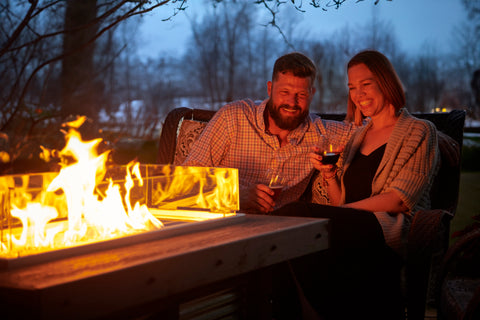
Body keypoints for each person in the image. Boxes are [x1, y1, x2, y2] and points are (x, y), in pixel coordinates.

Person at [274, 50, 440, 320]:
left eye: (366, 84)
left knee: (291, 214)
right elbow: (340, 203)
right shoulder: (357, 135)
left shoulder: (419, 130)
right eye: (352, 87)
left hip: (389, 232)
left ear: (385, 81)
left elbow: (399, 199)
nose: (358, 94)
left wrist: (345, 213)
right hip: (353, 230)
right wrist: (329, 176)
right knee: (287, 237)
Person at [183, 52, 353, 213]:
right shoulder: (234, 117)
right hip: (226, 223)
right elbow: (184, 182)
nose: (291, 103)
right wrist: (237, 196)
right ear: (270, 89)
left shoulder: (321, 132)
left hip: (281, 231)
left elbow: (372, 128)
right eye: (284, 92)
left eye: (301, 94)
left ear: (311, 94)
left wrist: (358, 103)